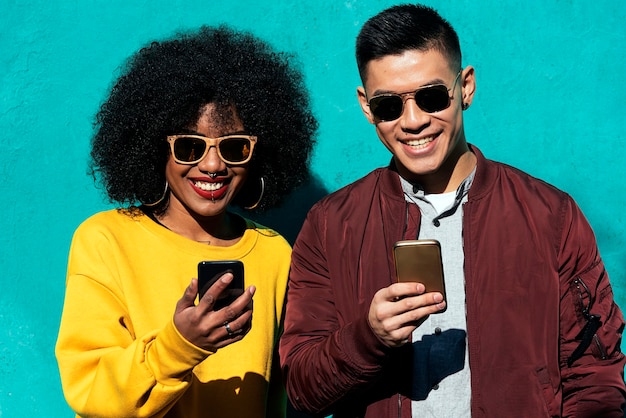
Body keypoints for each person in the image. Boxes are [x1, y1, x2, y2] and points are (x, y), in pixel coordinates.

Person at [279, 4, 625, 417]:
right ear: (366, 106)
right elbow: (301, 390)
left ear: (466, 87)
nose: (412, 121)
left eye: (430, 97)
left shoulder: (551, 215)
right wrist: (368, 337)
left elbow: (594, 377)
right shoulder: (330, 224)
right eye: (389, 105)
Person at [55, 25, 316, 418]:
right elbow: (91, 392)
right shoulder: (106, 241)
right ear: (154, 145)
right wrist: (180, 345)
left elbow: (275, 401)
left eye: (234, 147)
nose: (212, 165)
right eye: (190, 146)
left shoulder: (275, 253)